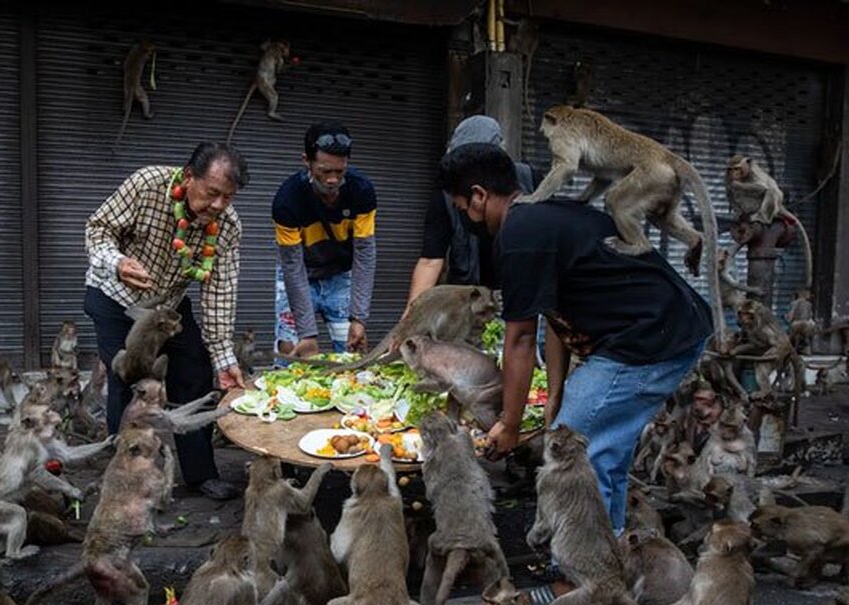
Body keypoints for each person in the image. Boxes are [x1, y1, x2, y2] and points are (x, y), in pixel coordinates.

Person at [441, 143, 712, 536]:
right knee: (603, 453)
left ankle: (584, 580)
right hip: (671, 327)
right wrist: (554, 394)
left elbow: (519, 338)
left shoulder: (518, 234)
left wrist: (510, 424)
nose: (464, 215)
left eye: (461, 205)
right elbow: (556, 317)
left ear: (479, 196)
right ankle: (610, 556)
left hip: (648, 340)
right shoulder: (542, 218)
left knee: (571, 453)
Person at [83, 141, 248, 501]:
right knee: (130, 381)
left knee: (196, 373)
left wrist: (224, 358)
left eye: (228, 198)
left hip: (166, 305)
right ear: (189, 177)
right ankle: (127, 480)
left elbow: (220, 292)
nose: (218, 206)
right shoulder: (148, 184)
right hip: (115, 297)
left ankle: (201, 473)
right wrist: (117, 263)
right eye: (212, 193)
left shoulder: (228, 227)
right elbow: (98, 229)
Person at [404, 116, 540, 310]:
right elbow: (430, 261)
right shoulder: (446, 195)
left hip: (520, 294)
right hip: (469, 301)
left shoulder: (527, 179)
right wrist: (409, 320)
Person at [272, 122, 377, 358]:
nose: (332, 179)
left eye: (339, 172)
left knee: (350, 357)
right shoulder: (286, 201)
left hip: (340, 276)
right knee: (291, 356)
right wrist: (307, 333)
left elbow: (365, 255)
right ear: (306, 161)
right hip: (300, 275)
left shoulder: (363, 192)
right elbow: (292, 265)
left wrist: (359, 317)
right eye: (324, 171)